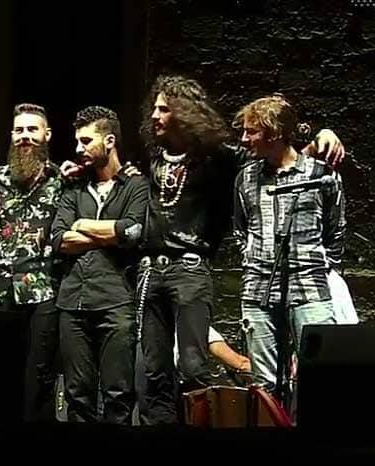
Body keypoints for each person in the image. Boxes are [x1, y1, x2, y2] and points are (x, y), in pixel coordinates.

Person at [134, 75, 344, 424]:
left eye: (164, 109)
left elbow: (330, 222)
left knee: (196, 366)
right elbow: (243, 226)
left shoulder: (223, 159)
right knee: (162, 369)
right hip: (219, 281)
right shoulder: (163, 158)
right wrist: (253, 257)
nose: (155, 115)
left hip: (282, 282)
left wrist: (322, 135)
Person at [232, 94, 344, 395]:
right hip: (258, 289)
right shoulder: (246, 178)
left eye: (251, 131)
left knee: (320, 378)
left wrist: (322, 265)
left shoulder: (321, 174)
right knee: (265, 385)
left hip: (309, 287)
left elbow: (335, 230)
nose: (244, 139)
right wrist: (253, 258)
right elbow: (240, 229)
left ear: (274, 133)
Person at [51, 106, 148, 424]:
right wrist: (108, 235)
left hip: (115, 300)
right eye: (77, 141)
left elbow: (132, 232)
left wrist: (82, 224)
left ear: (109, 141)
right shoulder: (74, 189)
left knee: (118, 395)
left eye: (85, 141)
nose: (78, 148)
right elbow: (59, 240)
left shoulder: (136, 186)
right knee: (77, 395)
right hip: (73, 301)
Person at [0, 103, 63, 421]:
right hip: (0, 286)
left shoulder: (63, 178)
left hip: (45, 288)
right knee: (0, 368)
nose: (25, 136)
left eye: (32, 129)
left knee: (40, 372)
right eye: (19, 130)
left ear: (47, 134)